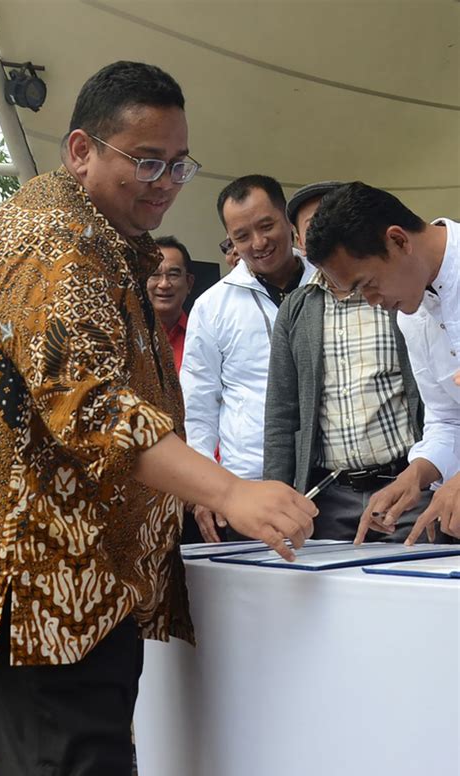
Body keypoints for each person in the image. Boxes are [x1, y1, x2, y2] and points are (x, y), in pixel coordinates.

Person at [0, 62, 317, 776]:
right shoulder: (51, 240)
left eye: (179, 163)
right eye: (146, 160)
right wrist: (231, 490)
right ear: (80, 151)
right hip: (51, 598)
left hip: (83, 591)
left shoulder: (99, 235)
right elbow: (91, 405)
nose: (166, 181)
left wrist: (190, 485)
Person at [264, 181, 430, 541]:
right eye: (313, 225)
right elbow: (282, 410)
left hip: (404, 484)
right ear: (300, 240)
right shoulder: (297, 309)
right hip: (330, 495)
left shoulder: (395, 294)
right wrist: (276, 496)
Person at [305, 180, 460, 543]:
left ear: (399, 240)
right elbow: (447, 418)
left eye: (368, 283)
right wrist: (417, 474)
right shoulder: (412, 315)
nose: (372, 301)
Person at [180, 174, 309, 542]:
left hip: (327, 480)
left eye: (266, 225)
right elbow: (198, 405)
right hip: (248, 488)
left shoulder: (330, 283)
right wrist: (205, 490)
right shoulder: (212, 306)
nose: (259, 243)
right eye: (241, 236)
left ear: (288, 219)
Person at [146, 235, 194, 372]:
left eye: (173, 274)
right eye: (154, 274)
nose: (164, 284)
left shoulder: (204, 335)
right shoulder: (127, 336)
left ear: (189, 283)